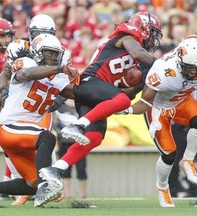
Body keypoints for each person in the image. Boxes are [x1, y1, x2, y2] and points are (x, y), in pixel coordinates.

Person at [37, 11, 163, 204]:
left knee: (95, 138)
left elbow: (128, 93)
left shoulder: (140, 61)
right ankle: (78, 125)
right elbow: (137, 53)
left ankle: (56, 169)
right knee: (121, 101)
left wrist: (141, 81)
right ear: (143, 29)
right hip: (90, 82)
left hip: (96, 94)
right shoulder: (127, 37)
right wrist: (160, 65)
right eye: (152, 33)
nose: (154, 39)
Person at [0, 33, 79, 208]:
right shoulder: (27, 62)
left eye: (56, 55)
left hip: (23, 134)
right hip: (10, 127)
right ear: (38, 52)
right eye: (49, 53)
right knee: (48, 137)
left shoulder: (57, 80)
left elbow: (76, 93)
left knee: (31, 185)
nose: (54, 58)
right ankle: (45, 186)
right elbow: (27, 74)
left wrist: (96, 88)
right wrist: (59, 70)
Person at [115, 38, 197, 207]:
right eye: (189, 68)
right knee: (169, 154)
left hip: (181, 100)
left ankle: (188, 160)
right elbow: (144, 103)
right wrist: (127, 110)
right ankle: (162, 188)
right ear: (180, 63)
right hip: (158, 107)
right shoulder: (162, 73)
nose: (193, 73)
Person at [55, 101, 87, 199]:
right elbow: (56, 122)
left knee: (81, 169)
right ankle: (67, 194)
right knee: (65, 169)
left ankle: (83, 195)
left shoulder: (81, 104)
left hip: (79, 142)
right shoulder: (61, 105)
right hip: (64, 141)